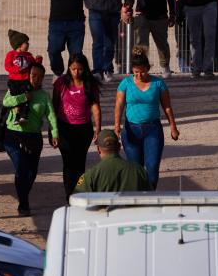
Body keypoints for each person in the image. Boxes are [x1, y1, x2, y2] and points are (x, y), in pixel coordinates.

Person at [113, 46, 179, 190]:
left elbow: (167, 107)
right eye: (136, 72)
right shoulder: (126, 83)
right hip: (131, 130)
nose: (139, 75)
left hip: (153, 130)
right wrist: (117, 125)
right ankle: (138, 198)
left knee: (152, 166)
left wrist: (173, 127)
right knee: (136, 168)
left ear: (148, 68)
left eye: (142, 72)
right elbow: (119, 105)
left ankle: (150, 194)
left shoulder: (158, 83)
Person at [2, 63, 58, 216]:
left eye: (39, 77)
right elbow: (6, 102)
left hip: (33, 137)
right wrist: (22, 97)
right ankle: (23, 203)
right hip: (13, 135)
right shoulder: (16, 88)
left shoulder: (44, 96)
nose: (36, 79)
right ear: (28, 75)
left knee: (31, 172)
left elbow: (51, 116)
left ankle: (23, 197)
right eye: (33, 75)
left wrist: (55, 134)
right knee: (21, 167)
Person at [52, 53, 101, 198]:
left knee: (80, 164)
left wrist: (97, 128)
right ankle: (69, 195)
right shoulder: (60, 83)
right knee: (68, 163)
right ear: (68, 68)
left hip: (83, 129)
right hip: (64, 128)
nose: (76, 72)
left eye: (80, 69)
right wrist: (52, 130)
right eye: (73, 69)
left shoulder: (90, 84)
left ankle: (79, 194)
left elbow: (95, 107)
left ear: (85, 69)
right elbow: (54, 106)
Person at [73, 130, 151, 194]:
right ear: (119, 147)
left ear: (98, 149)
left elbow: (76, 199)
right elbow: (150, 197)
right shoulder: (139, 171)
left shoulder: (90, 176)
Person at [4, 29, 42, 121]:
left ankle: (24, 115)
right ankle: (16, 116)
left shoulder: (28, 55)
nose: (28, 44)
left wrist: (38, 61)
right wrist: (17, 69)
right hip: (14, 82)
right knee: (16, 99)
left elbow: (34, 65)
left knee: (27, 98)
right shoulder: (11, 55)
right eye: (26, 42)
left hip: (25, 81)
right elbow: (7, 66)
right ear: (19, 44)